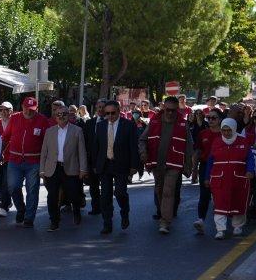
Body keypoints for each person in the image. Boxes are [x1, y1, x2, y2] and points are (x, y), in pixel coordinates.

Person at [140, 96, 193, 234]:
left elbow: (189, 146)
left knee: (168, 191)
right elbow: (142, 139)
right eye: (167, 110)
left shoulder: (183, 124)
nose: (170, 113)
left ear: (177, 110)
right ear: (163, 108)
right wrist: (143, 152)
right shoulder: (154, 121)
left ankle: (165, 221)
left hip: (174, 164)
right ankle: (164, 213)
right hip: (157, 163)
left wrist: (188, 166)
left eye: (173, 111)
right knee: (159, 190)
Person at [2, 96, 52, 228]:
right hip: (15, 160)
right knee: (13, 186)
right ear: (22, 107)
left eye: (31, 110)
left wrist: (47, 162)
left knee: (32, 190)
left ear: (36, 109)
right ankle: (21, 208)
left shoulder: (43, 121)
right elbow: (5, 137)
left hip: (34, 161)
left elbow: (48, 143)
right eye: (26, 108)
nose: (28, 112)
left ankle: (29, 218)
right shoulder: (15, 118)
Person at [93, 100, 141, 234]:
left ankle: (124, 213)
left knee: (120, 193)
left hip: (121, 164)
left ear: (119, 111)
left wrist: (134, 166)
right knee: (105, 196)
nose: (109, 116)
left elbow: (133, 146)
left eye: (112, 113)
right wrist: (95, 164)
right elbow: (96, 146)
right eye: (106, 113)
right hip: (105, 164)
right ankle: (107, 223)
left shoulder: (129, 125)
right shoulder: (101, 125)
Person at [206, 118, 256, 239]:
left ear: (234, 129)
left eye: (229, 130)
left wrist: (250, 170)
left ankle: (237, 227)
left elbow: (250, 158)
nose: (226, 133)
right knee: (219, 204)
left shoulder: (243, 142)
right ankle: (220, 230)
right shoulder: (216, 142)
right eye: (224, 130)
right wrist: (207, 177)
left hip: (238, 179)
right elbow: (210, 161)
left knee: (238, 201)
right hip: (220, 179)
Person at [40, 105, 88, 230]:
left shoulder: (77, 130)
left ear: (69, 115)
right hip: (53, 169)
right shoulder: (49, 131)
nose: (61, 117)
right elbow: (44, 152)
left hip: (71, 168)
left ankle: (76, 211)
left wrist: (83, 169)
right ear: (55, 117)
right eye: (58, 114)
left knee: (73, 194)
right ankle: (54, 221)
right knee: (52, 196)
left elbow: (81, 151)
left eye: (64, 114)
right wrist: (42, 170)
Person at [193, 112, 222, 234]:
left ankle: (222, 223)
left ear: (220, 119)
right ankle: (201, 220)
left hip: (222, 167)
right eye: (208, 118)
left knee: (220, 195)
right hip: (205, 167)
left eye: (213, 118)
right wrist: (194, 170)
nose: (210, 120)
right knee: (204, 194)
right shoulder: (203, 133)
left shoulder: (225, 133)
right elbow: (198, 152)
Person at [83, 99, 107, 216]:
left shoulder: (110, 122)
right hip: (92, 160)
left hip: (107, 161)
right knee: (93, 186)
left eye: (103, 107)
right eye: (99, 107)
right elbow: (86, 142)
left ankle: (106, 207)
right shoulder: (90, 123)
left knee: (106, 187)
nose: (101, 109)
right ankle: (96, 207)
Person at [0, 101, 13, 221]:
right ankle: (5, 199)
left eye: (6, 110)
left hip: (11, 157)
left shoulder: (15, 121)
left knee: (6, 181)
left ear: (11, 111)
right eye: (2, 110)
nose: (3, 112)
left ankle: (4, 206)